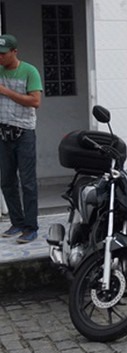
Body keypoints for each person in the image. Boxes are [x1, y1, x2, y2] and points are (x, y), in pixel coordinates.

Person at [0, 34, 43, 244]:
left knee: (27, 183)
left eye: (3, 53)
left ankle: (31, 226)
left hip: (24, 133)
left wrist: (5, 91)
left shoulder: (29, 71)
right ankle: (16, 222)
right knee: (6, 181)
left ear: (14, 52)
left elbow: (35, 101)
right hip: (2, 132)